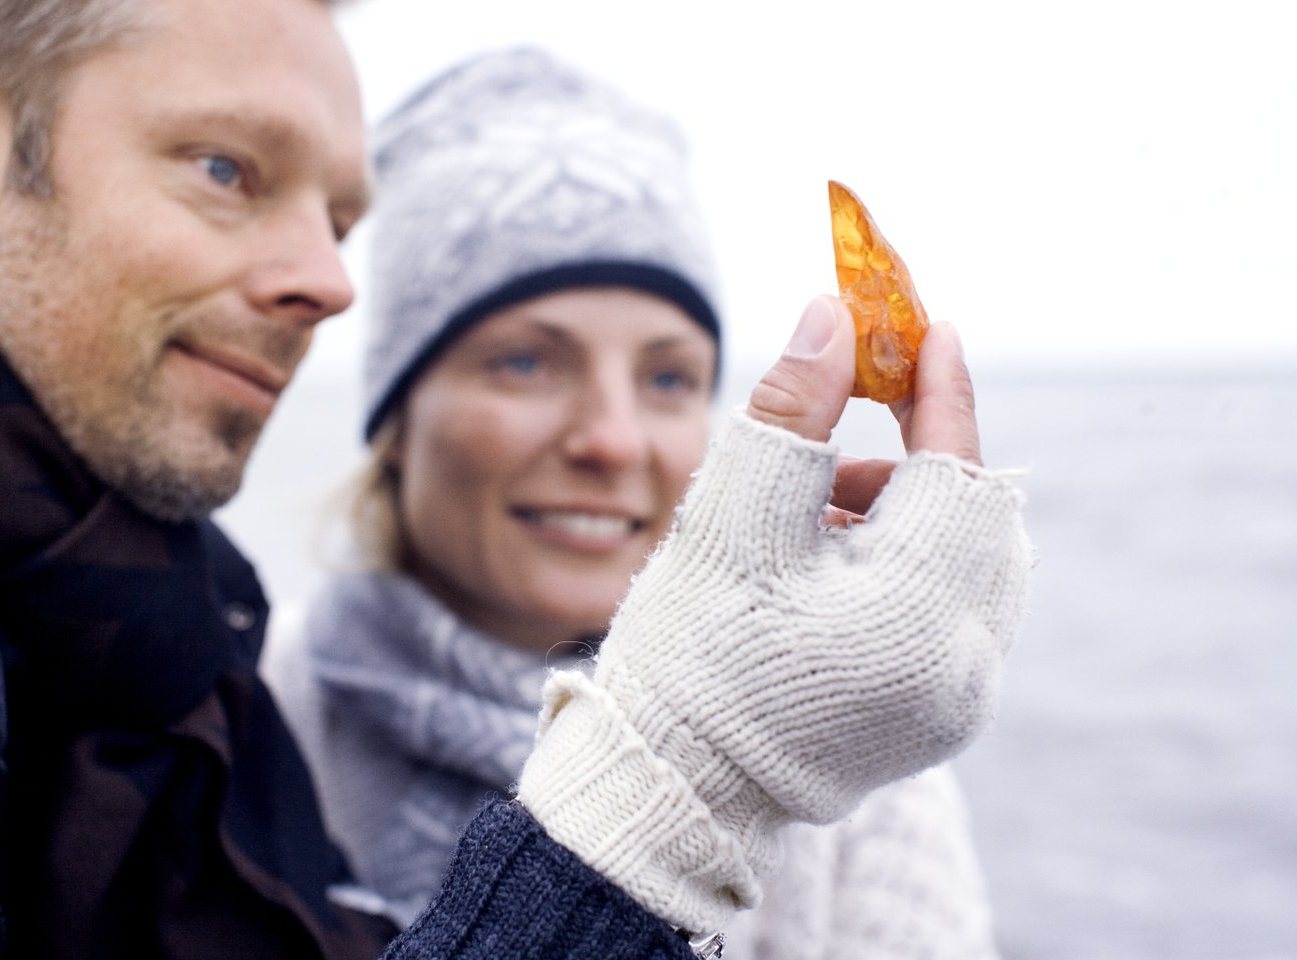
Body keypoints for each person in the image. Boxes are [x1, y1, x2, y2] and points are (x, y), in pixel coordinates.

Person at [0, 0, 1031, 957]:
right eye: (226, 168)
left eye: (673, 378)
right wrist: (687, 772)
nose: (331, 279)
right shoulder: (247, 707)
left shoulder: (156, 670)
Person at [263, 47, 1002, 960]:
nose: (612, 439)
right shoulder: (246, 713)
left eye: (667, 376)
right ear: (397, 417)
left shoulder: (840, 770)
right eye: (525, 362)